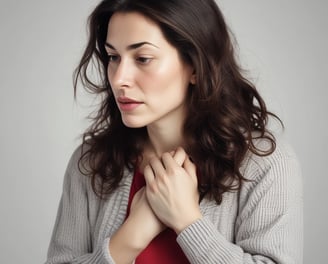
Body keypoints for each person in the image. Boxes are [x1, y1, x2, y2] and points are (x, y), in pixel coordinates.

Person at [45, 0, 303, 263]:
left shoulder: (266, 163)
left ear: (195, 65)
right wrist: (132, 236)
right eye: (114, 57)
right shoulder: (91, 162)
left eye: (143, 58)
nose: (119, 78)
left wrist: (187, 221)